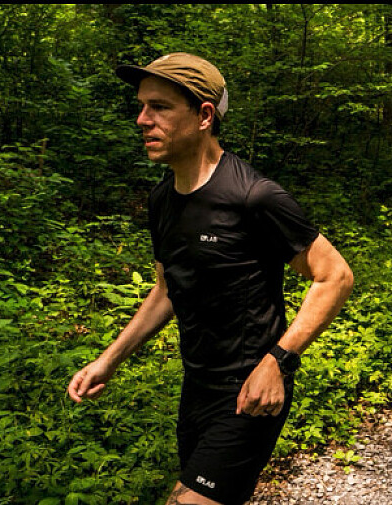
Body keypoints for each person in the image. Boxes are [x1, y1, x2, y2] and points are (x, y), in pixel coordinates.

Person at [67, 53, 354, 505]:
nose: (142, 120)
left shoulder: (253, 197)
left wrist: (277, 362)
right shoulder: (162, 199)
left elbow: (334, 275)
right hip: (196, 388)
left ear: (204, 116)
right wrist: (109, 360)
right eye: (141, 106)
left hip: (249, 392)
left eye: (160, 107)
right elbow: (166, 289)